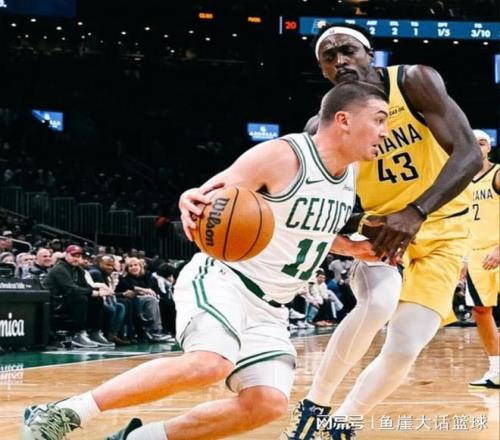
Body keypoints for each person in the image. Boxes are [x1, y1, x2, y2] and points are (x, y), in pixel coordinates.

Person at [22, 81, 389, 440]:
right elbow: (210, 200)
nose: (384, 132)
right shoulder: (283, 156)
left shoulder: (349, 174)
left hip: (271, 307)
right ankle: (65, 411)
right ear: (343, 120)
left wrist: (351, 248)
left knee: (267, 403)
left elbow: (308, 231)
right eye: (379, 119)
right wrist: (191, 198)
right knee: (211, 362)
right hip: (226, 280)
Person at [281, 23, 482, 439]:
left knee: (405, 346)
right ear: (323, 71)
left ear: (370, 54)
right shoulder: (322, 126)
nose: (340, 61)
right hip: (382, 233)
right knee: (377, 304)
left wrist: (416, 211)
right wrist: (356, 228)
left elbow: (468, 155)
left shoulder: (413, 82)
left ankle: (344, 422)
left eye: (348, 50)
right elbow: (323, 202)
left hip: (443, 228)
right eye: (329, 57)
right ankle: (315, 404)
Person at [464, 130, 499, 389]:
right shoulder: (459, 181)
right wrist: (462, 256)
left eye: (482, 142)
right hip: (475, 254)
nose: (477, 147)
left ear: (490, 148)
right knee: (480, 310)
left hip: (497, 248)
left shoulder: (497, 174)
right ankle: (497, 370)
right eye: (473, 142)